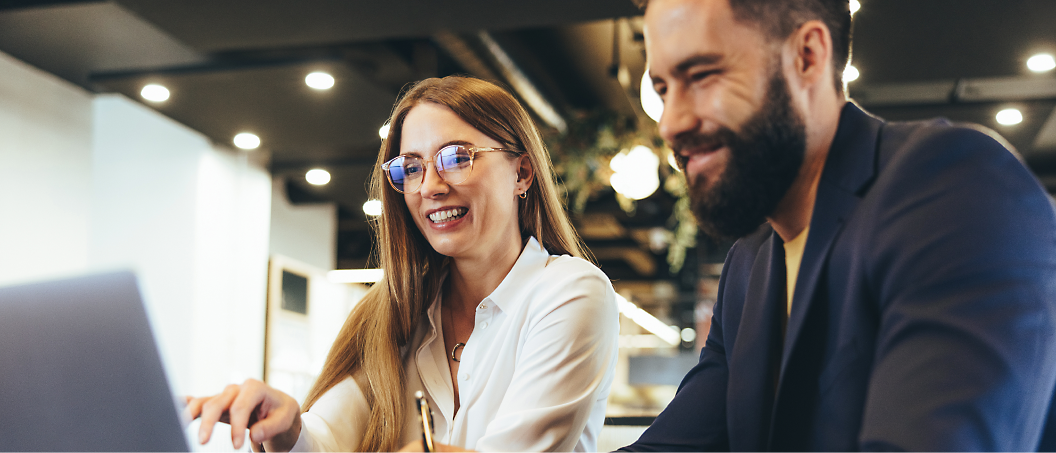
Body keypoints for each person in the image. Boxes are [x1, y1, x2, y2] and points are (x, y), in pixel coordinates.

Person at [617, 0, 1056, 452]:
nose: (671, 123)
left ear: (807, 55)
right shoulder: (748, 264)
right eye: (664, 89)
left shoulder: (956, 188)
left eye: (703, 75)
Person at [184, 76, 619, 453]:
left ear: (522, 173)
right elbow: (327, 435)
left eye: (457, 157)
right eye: (411, 168)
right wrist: (289, 427)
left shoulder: (572, 293)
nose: (430, 186)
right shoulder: (396, 312)